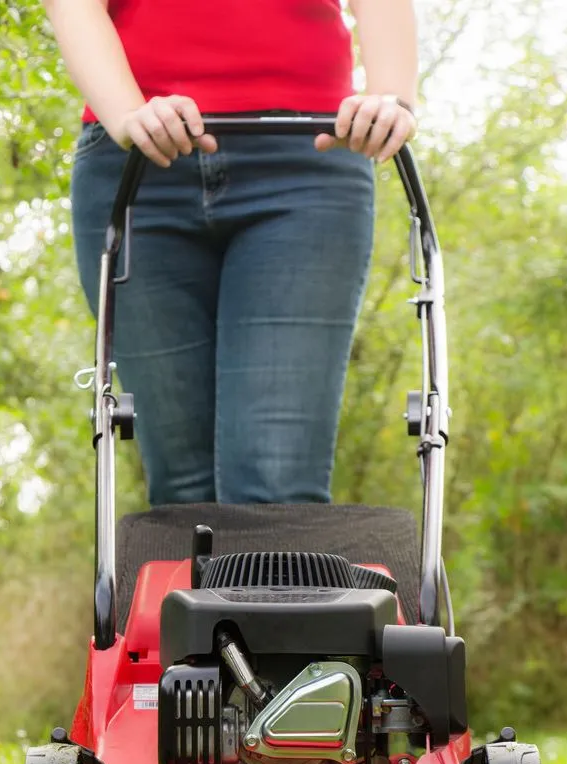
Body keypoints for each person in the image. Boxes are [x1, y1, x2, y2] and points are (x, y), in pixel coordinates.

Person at [43, 0, 418, 506]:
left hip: (307, 160)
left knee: (277, 485)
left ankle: (279, 585)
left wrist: (391, 97)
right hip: (139, 161)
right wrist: (129, 113)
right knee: (181, 493)